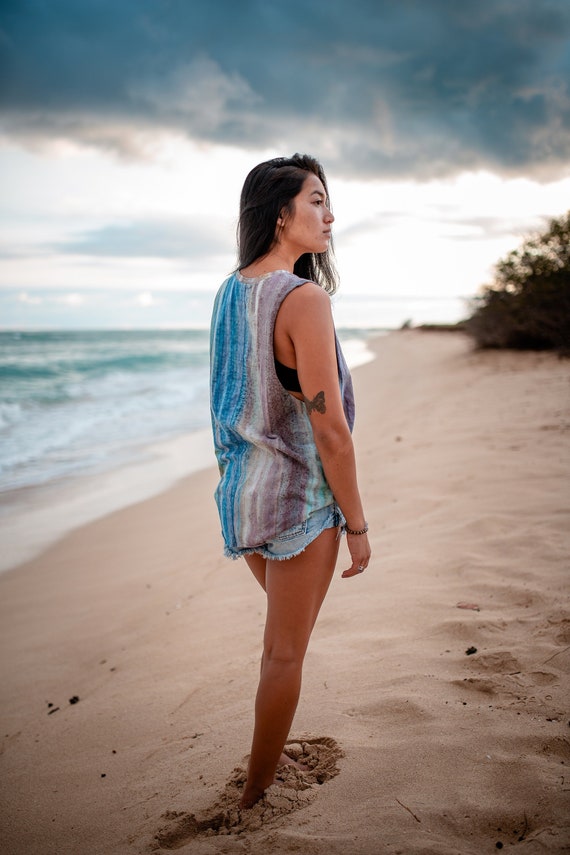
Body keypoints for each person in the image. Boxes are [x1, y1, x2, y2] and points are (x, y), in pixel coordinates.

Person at [209, 153, 371, 809]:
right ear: (281, 213)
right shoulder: (304, 300)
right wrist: (356, 523)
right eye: (316, 201)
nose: (330, 216)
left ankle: (266, 758)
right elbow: (330, 430)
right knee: (283, 654)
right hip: (299, 505)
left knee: (282, 646)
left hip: (241, 501)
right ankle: (255, 794)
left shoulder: (229, 291)